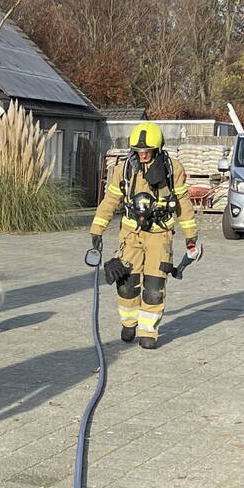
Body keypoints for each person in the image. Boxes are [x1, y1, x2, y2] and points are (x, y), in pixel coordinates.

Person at [90, 122, 197, 349]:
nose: (143, 155)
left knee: (154, 286)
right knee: (127, 284)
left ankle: (148, 331)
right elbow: (110, 201)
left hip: (160, 235)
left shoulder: (172, 169)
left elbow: (183, 204)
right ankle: (129, 322)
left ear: (157, 149)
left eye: (147, 151)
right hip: (131, 235)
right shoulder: (125, 170)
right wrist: (97, 230)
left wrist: (191, 235)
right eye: (138, 151)